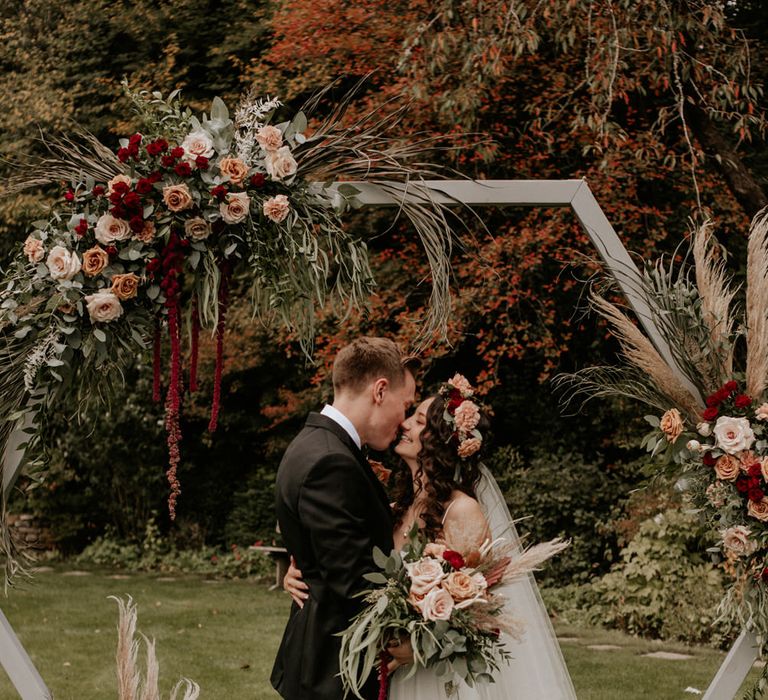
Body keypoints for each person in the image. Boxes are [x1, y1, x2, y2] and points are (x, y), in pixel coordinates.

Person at [285, 374, 577, 699]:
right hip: (389, 671)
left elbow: (480, 605)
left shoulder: (463, 511)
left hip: (434, 674)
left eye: (418, 420)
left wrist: (422, 646)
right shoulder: (393, 508)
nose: (404, 423)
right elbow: (346, 558)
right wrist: (298, 571)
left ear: (440, 439)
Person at [270, 337, 418, 700]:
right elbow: (353, 581)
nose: (404, 421)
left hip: (325, 658)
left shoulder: (316, 445)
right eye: (406, 405)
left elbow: (325, 557)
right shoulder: (330, 461)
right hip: (335, 668)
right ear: (380, 391)